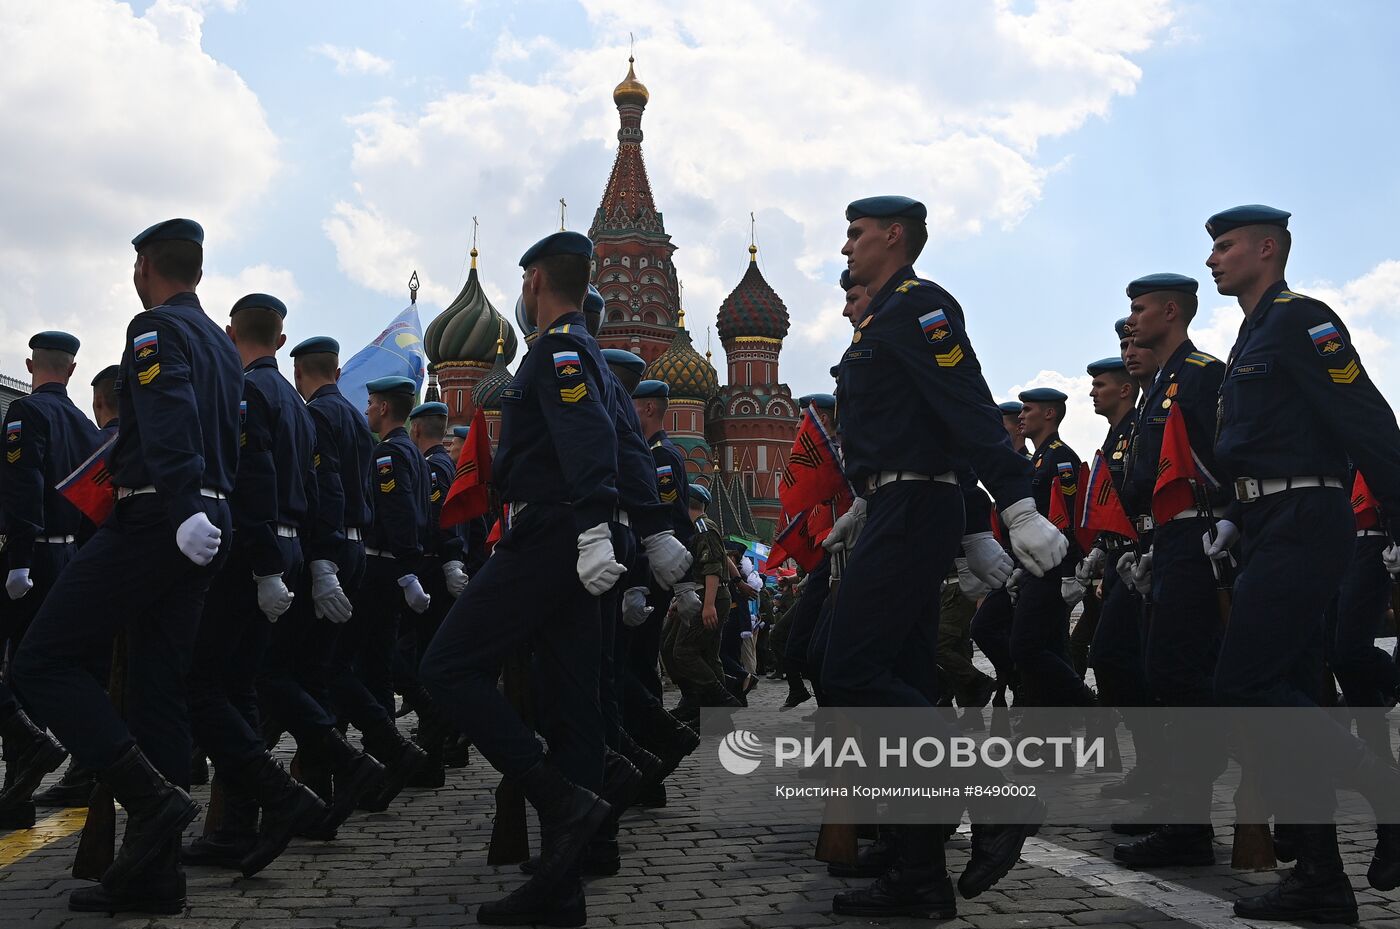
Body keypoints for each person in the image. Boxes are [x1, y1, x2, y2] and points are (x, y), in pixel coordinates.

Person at [825, 195, 1062, 918]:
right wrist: (865, 497)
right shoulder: (890, 313)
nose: (846, 248)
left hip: (916, 508)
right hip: (899, 503)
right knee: (900, 680)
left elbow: (966, 406)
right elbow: (915, 423)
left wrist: (1014, 504)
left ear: (894, 237)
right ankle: (919, 870)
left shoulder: (919, 306)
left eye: (856, 235)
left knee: (849, 671)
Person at [13, 218, 241, 914]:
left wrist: (175, 505)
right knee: (156, 690)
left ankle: (153, 800)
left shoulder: (155, 329)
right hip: (206, 520)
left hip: (157, 518)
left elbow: (168, 415)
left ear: (145, 265)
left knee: (40, 663)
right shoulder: (222, 346)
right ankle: (155, 872)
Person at [420, 230, 625, 927]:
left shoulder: (558, 350)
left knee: (447, 666)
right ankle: (561, 889)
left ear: (535, 279)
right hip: (572, 536)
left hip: (547, 534)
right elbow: (618, 435)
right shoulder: (584, 349)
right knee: (573, 705)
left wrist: (596, 522)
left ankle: (560, 800)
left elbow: (592, 437)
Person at [1201, 204, 1400, 923]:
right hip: (1265, 522)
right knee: (1286, 698)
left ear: (1267, 249)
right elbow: (1256, 446)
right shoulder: (1251, 336)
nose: (1213, 259)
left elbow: (1366, 418)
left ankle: (1387, 792)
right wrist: (1230, 515)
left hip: (1308, 519)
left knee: (1245, 682)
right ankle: (1320, 877)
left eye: (1225, 247)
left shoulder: (1300, 318)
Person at [183, 293, 326, 877]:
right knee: (240, 686)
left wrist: (265, 562)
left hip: (254, 550)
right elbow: (312, 492)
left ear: (227, 329)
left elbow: (256, 478)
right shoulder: (295, 400)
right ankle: (238, 823)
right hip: (286, 547)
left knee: (200, 685)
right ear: (283, 340)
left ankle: (275, 797)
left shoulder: (249, 391)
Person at [1109, 274, 1230, 868]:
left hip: (1199, 534)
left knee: (1183, 674)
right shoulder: (1159, 384)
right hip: (1168, 538)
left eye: (1139, 309)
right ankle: (1184, 811)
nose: (1131, 321)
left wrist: (1227, 521)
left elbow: (1225, 454)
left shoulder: (1202, 373)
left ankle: (1192, 823)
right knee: (1167, 673)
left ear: (1172, 311)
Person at [0, 332, 104, 824]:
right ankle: (15, 793)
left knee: (19, 668)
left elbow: (23, 487)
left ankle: (26, 747)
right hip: (67, 557)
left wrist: (19, 556)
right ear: (73, 369)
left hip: (28, 557)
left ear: (29, 363)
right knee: (28, 668)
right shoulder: (84, 423)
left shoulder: (26, 413)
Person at [282, 335, 384, 828]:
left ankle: (327, 781)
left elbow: (324, 487)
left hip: (328, 547)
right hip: (356, 544)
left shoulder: (317, 415)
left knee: (306, 670)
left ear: (300, 375)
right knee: (326, 666)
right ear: (338, 373)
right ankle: (332, 782)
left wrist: (319, 559)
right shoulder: (356, 421)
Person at [331, 375, 431, 812]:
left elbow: (397, 511)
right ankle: (385, 768)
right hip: (395, 570)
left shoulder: (390, 453)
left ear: (386, 408)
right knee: (377, 671)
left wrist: (407, 567)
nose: (367, 410)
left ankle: (385, 753)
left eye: (371, 403)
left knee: (336, 665)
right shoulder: (409, 450)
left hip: (379, 568)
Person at [1010, 387, 1090, 711]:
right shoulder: (1038, 459)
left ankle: (1088, 704)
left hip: (1054, 568)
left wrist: (1070, 572)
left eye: (1027, 409)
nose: (1020, 416)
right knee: (1051, 649)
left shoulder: (1060, 457)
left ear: (1049, 414)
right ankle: (1050, 741)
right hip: (1036, 566)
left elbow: (1067, 518)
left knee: (1025, 647)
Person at [659, 482, 740, 719]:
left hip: (709, 593)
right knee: (674, 645)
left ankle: (720, 700)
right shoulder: (694, 527)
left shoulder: (703, 527)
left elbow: (713, 567)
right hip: (700, 592)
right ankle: (702, 704)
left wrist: (708, 605)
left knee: (683, 650)